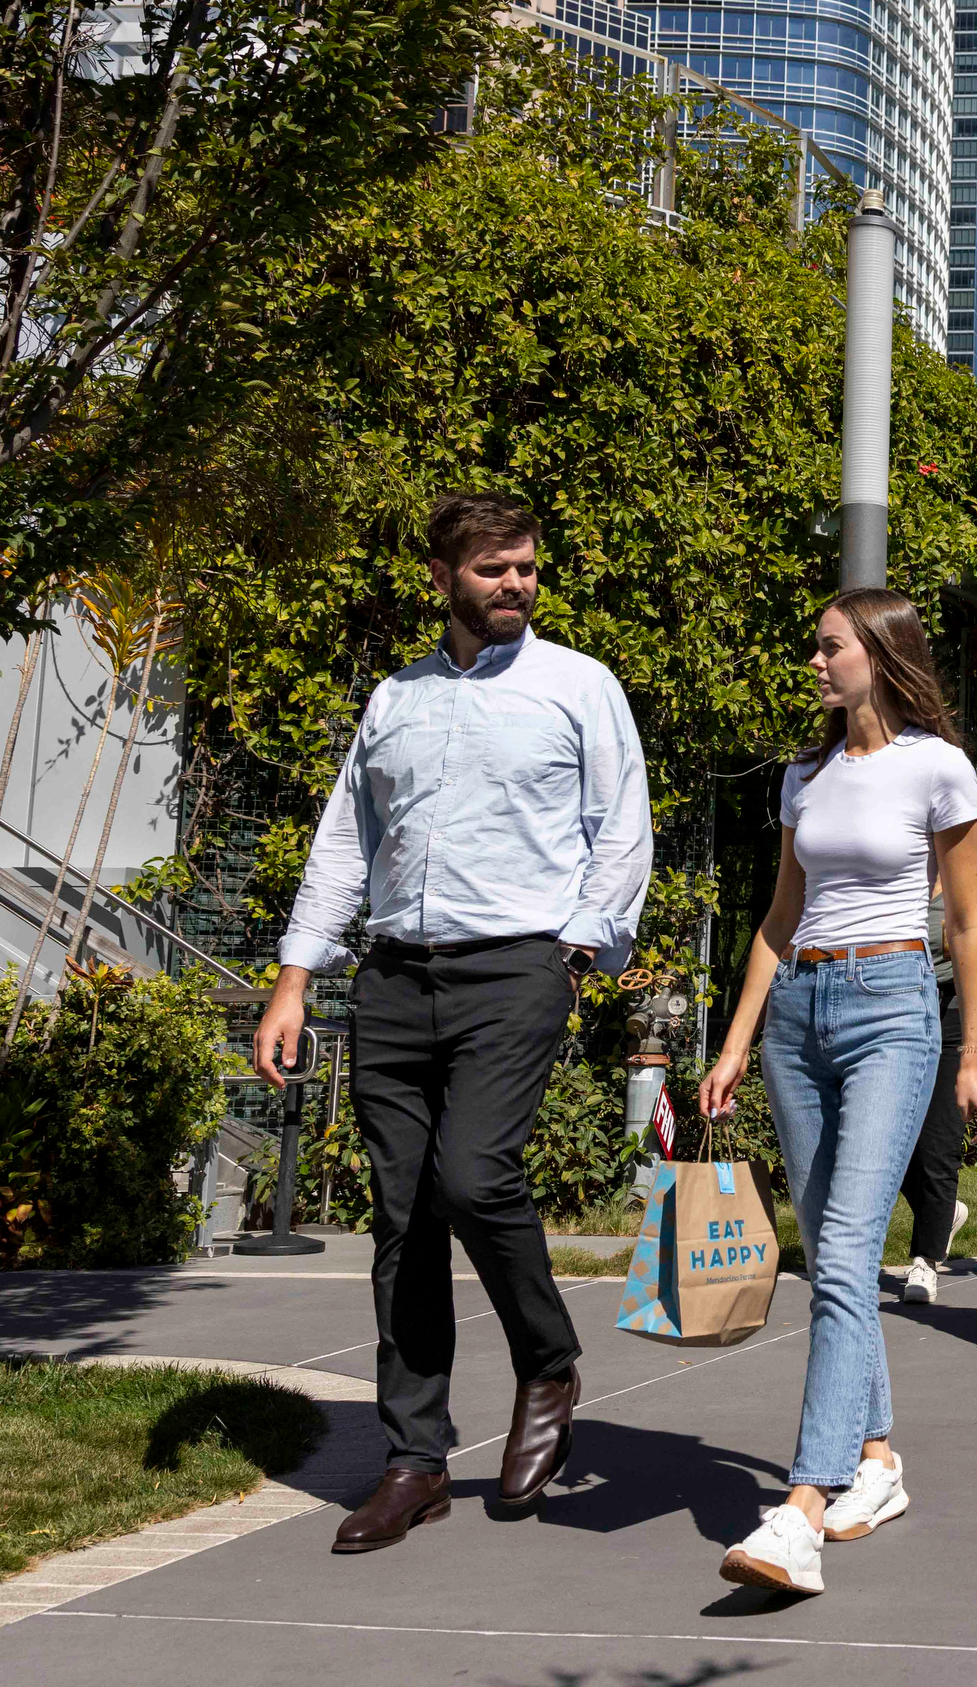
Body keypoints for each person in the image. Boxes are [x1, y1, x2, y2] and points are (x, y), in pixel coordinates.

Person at [257, 492, 653, 1555]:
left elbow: (622, 831)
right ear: (443, 576)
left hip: (519, 964)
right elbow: (346, 841)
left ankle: (547, 1359)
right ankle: (414, 1459)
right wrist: (296, 976)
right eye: (493, 570)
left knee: (474, 1174)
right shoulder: (396, 697)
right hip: (394, 975)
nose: (516, 584)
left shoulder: (580, 685)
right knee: (402, 1217)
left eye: (526, 566)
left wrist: (575, 952)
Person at [697, 588, 977, 1598]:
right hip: (797, 1017)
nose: (816, 663)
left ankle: (802, 1506)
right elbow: (778, 917)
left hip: (892, 1005)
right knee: (833, 1247)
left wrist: (970, 1053)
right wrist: (736, 1038)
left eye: (829, 647)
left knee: (835, 1252)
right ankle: (877, 1457)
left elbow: (964, 922)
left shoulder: (939, 766)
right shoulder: (806, 774)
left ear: (879, 651)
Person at [899, 878, 977, 1306]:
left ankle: (925, 1261)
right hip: (894, 1015)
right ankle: (944, 1213)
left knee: (938, 1142)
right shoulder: (891, 886)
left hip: (951, 1015)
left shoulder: (976, 896)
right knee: (885, 1141)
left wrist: (974, 946)